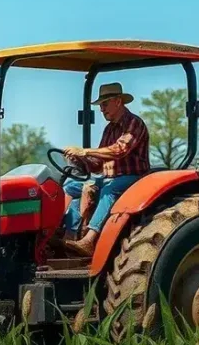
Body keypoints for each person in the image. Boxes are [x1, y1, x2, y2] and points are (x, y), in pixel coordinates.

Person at [55, 82, 150, 257]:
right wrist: (81, 159)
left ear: (118, 101)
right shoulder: (109, 129)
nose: (101, 109)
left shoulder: (134, 123)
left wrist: (85, 151)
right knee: (71, 186)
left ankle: (90, 239)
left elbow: (119, 150)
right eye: (100, 106)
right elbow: (98, 164)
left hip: (133, 178)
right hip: (108, 177)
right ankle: (67, 234)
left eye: (104, 104)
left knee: (109, 189)